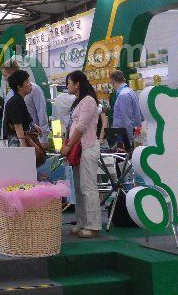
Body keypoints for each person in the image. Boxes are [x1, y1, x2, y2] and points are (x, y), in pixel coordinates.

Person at [61, 70, 102, 238]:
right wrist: (67, 144)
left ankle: (93, 226)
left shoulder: (89, 101)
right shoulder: (78, 102)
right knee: (78, 188)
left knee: (88, 187)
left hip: (87, 148)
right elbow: (74, 126)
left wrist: (69, 145)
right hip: (78, 150)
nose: (67, 86)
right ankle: (82, 222)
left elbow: (82, 127)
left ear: (77, 84)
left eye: (69, 83)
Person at [0, 58, 49, 146]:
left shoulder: (34, 89)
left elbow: (42, 112)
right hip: (16, 139)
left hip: (31, 137)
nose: (4, 79)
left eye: (5, 75)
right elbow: (13, 121)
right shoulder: (11, 94)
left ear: (13, 72)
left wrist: (44, 137)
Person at [109, 70, 143, 141]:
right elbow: (140, 115)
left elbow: (127, 120)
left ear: (112, 82)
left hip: (124, 135)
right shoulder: (131, 92)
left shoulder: (123, 95)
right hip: (133, 132)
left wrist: (129, 141)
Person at [3, 70, 33, 147]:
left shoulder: (19, 100)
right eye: (27, 82)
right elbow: (17, 125)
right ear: (19, 87)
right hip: (16, 142)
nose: (30, 84)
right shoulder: (15, 102)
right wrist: (23, 145)